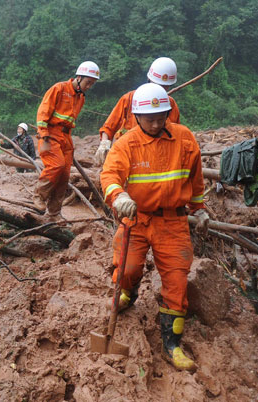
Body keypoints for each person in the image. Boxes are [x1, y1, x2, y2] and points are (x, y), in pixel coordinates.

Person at [100, 83, 209, 372]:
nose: (158, 123)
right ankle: (128, 292)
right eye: (151, 119)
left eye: (162, 117)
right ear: (136, 117)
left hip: (173, 222)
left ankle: (172, 344)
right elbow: (109, 174)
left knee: (177, 281)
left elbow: (195, 180)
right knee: (127, 268)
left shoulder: (184, 139)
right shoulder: (126, 143)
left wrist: (199, 209)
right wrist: (118, 195)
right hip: (137, 219)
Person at [34, 61, 100, 221]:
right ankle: (39, 195)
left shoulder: (81, 98)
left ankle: (54, 213)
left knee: (64, 176)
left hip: (66, 137)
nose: (89, 86)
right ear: (79, 77)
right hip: (50, 134)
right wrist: (43, 135)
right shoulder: (59, 88)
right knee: (56, 165)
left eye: (92, 83)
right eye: (88, 82)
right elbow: (43, 112)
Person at [95, 57, 181, 165]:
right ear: (149, 80)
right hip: (128, 153)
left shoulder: (170, 105)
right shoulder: (129, 99)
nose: (160, 90)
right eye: (157, 85)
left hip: (156, 156)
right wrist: (104, 143)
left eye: (165, 87)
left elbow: (175, 134)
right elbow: (109, 127)